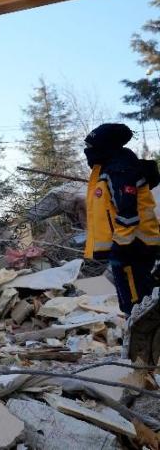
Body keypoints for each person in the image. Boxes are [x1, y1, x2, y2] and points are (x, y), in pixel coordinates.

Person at [83, 123, 160, 315]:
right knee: (135, 301)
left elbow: (128, 212)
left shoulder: (120, 170)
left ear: (106, 146)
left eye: (92, 146)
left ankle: (145, 343)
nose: (88, 151)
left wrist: (121, 246)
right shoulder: (108, 169)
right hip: (129, 245)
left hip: (134, 246)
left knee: (136, 303)